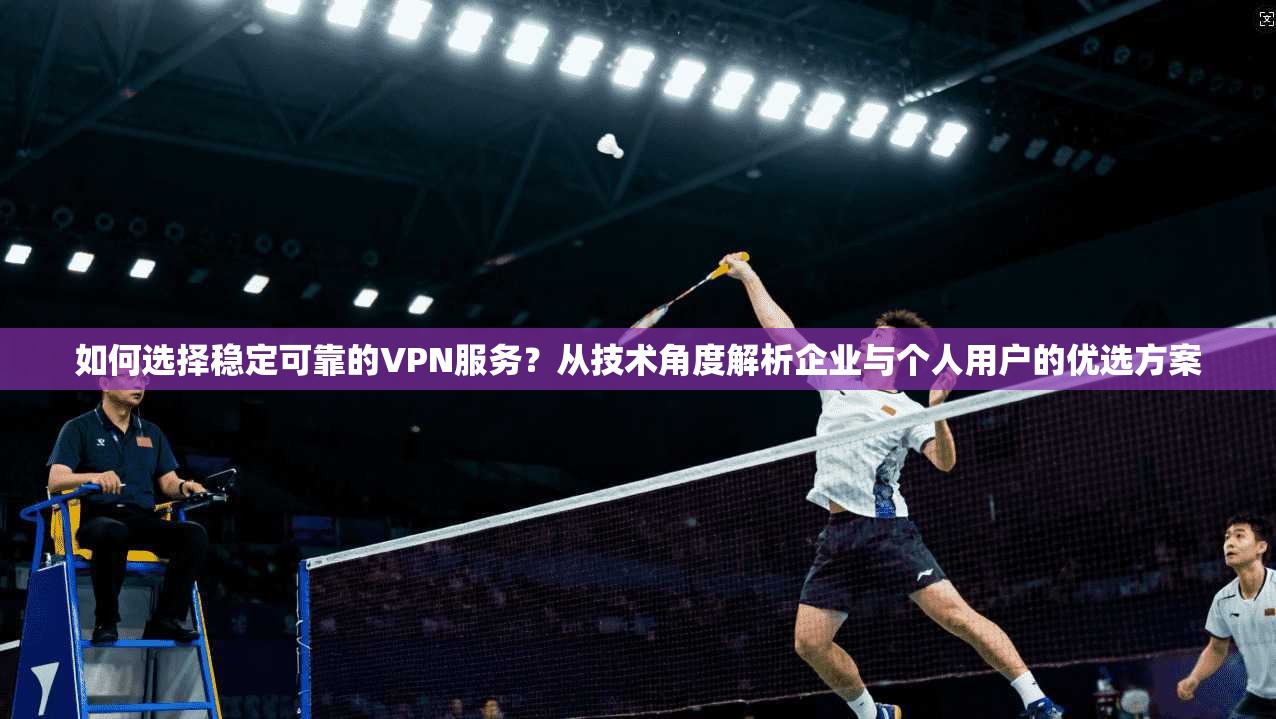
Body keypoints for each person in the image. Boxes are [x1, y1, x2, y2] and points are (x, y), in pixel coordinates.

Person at [722, 253, 1064, 719]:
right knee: (809, 643)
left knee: (956, 617)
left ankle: (1037, 700)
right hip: (838, 534)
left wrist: (938, 411)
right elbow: (783, 331)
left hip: (887, 530)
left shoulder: (908, 410)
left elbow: (943, 462)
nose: (865, 340)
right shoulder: (835, 381)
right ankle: (874, 715)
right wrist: (748, 276)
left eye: (878, 337)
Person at [46, 375, 208, 644]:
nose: (139, 385)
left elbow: (168, 483)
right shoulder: (78, 428)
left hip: (141, 520)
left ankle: (166, 620)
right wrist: (94, 477)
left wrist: (185, 487)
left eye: (142, 379)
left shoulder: (152, 432)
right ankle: (106, 621)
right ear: (105, 384)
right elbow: (56, 480)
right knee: (113, 531)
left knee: (194, 535)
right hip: (98, 519)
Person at [1177, 513, 1276, 718]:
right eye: (1227, 537)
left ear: (1261, 547)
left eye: (1239, 536)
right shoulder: (1223, 599)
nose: (1229, 543)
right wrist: (1194, 678)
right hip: (1259, 697)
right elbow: (1216, 648)